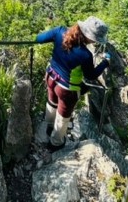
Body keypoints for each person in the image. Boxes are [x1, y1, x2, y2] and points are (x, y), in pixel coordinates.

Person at [36, 16, 111, 150]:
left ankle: (46, 128)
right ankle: (55, 143)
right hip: (67, 89)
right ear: (91, 38)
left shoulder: (59, 31)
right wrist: (105, 63)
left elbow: (39, 39)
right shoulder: (85, 55)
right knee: (63, 116)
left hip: (51, 77)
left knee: (52, 103)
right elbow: (91, 75)